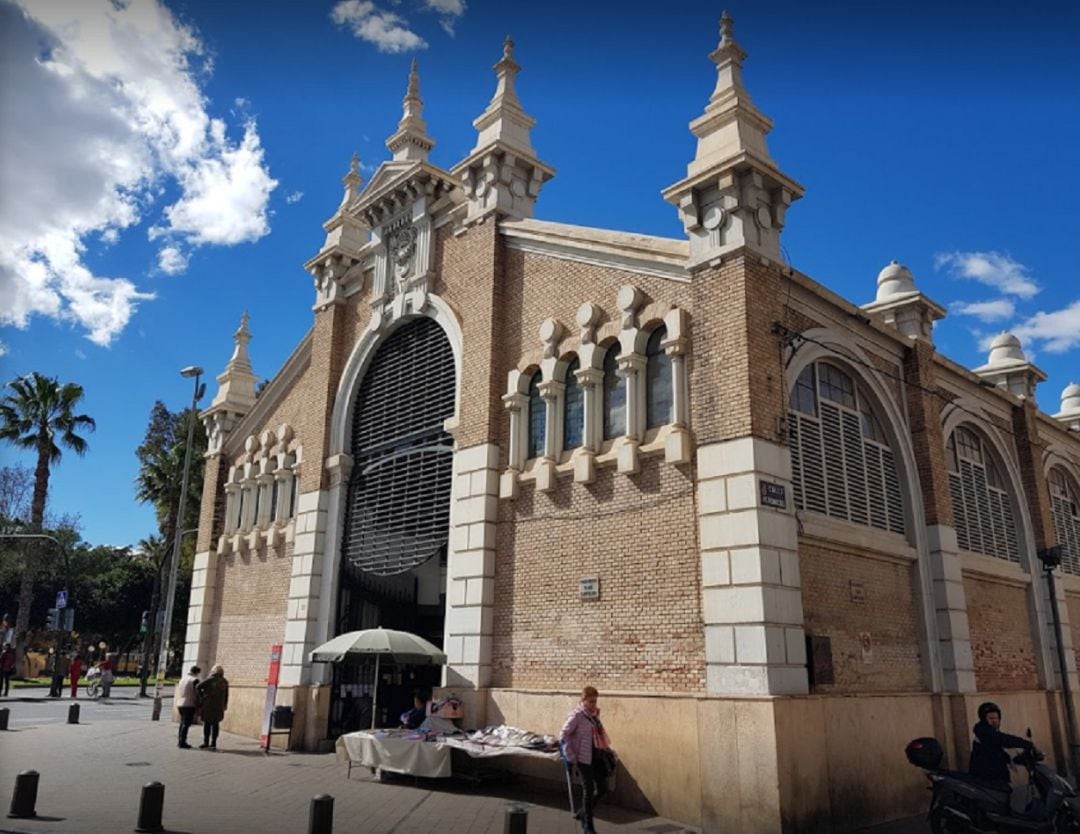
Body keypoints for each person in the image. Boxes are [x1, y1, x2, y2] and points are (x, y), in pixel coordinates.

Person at [560, 686, 615, 834]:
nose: (593, 704)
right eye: (591, 701)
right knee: (589, 790)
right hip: (583, 758)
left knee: (602, 788)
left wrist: (605, 748)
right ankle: (588, 825)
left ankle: (583, 812)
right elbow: (564, 735)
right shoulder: (577, 715)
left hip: (597, 756)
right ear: (583, 700)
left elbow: (598, 734)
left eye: (595, 701)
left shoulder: (594, 714)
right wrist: (571, 756)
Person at [969, 701, 1034, 786]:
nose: (995, 721)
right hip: (987, 777)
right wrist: (1026, 744)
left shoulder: (989, 732)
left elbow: (995, 750)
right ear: (984, 719)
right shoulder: (984, 732)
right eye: (991, 718)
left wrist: (1013, 759)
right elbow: (1004, 739)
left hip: (994, 775)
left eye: (996, 718)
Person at [196, 665, 228, 750]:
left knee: (207, 724)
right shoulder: (224, 681)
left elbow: (198, 687)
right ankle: (213, 743)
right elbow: (226, 695)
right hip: (219, 706)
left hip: (208, 705)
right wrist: (225, 704)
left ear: (213, 671)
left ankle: (206, 742)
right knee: (215, 724)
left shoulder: (210, 679)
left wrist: (202, 696)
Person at [176, 665, 201, 748]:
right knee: (186, 724)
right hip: (189, 704)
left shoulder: (183, 679)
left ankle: (180, 740)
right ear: (197, 672)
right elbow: (197, 693)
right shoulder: (194, 680)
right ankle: (182, 742)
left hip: (180, 703)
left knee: (182, 723)